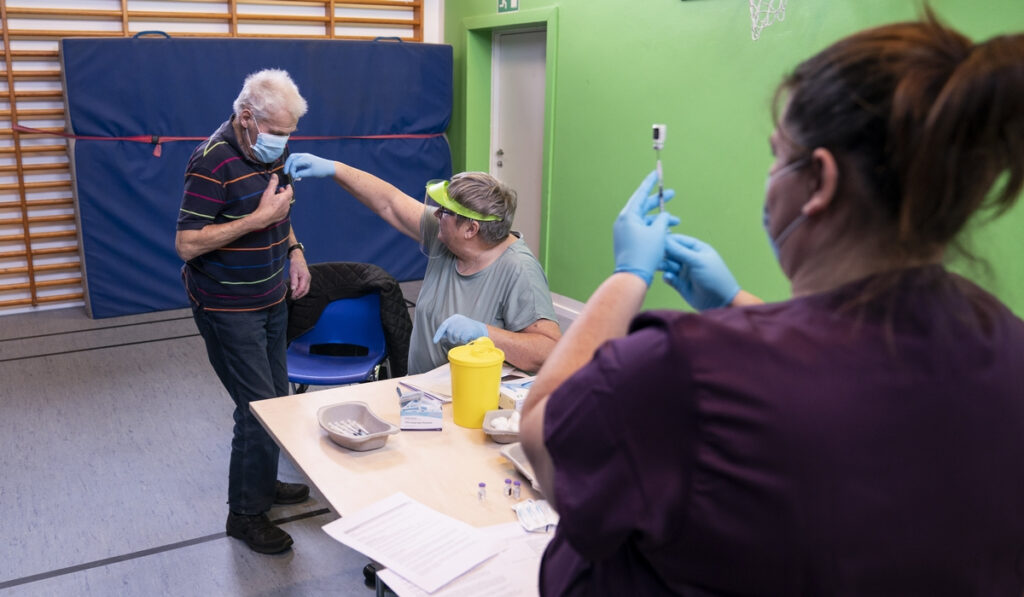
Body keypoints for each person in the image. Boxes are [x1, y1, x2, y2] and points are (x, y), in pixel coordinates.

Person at [521, 14, 1024, 596]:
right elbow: (839, 368)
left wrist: (625, 277)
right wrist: (734, 302)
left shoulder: (683, 372)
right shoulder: (1007, 348)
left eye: (776, 156)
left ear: (820, 181)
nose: (768, 177)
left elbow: (542, 436)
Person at [175, 69, 313, 554]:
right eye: (277, 132)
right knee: (255, 412)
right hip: (227, 307)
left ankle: (263, 481)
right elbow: (188, 244)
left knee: (277, 402)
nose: (285, 142)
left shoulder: (272, 148)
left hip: (271, 295)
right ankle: (245, 515)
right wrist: (257, 221)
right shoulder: (210, 162)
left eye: (290, 133)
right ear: (246, 117)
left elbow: (283, 210)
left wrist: (294, 251)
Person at [284, 154, 561, 374]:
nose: (436, 213)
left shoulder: (518, 270)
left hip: (471, 404)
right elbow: (389, 202)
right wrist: (335, 169)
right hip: (425, 398)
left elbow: (548, 351)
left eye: (445, 211)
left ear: (471, 229)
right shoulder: (448, 237)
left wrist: (485, 333)